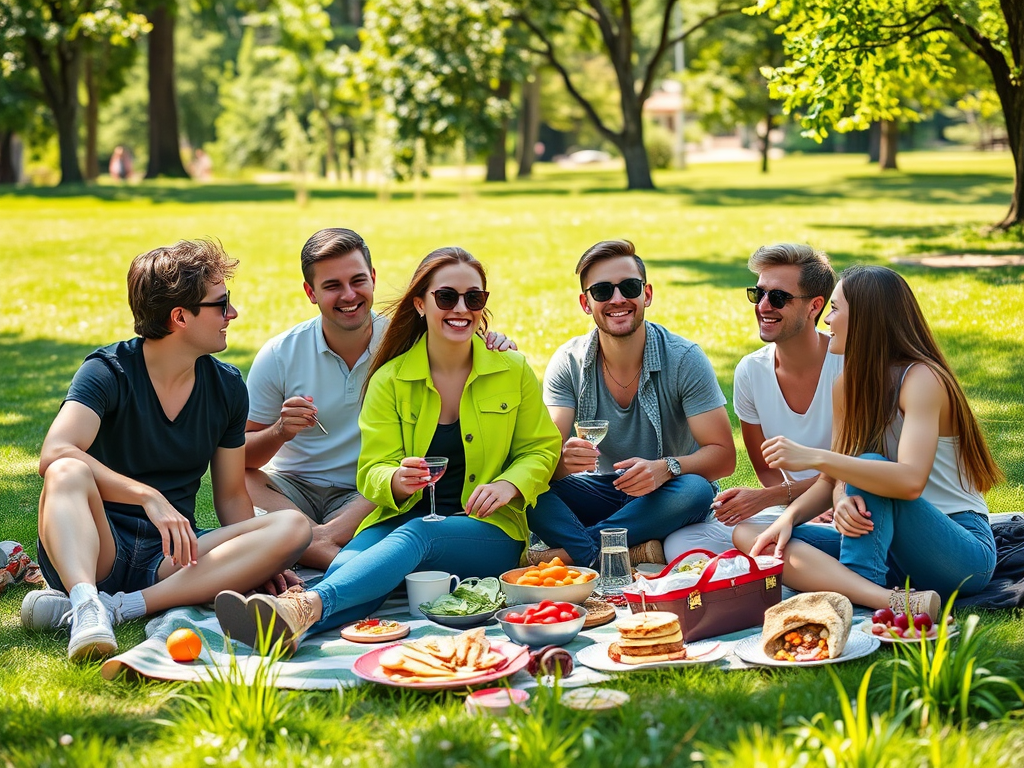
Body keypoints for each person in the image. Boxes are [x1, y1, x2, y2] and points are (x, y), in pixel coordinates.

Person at [215, 246, 561, 651]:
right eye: (447, 297)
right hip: (398, 517)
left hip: (489, 530)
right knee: (351, 568)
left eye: (474, 298)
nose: (461, 308)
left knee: (419, 535)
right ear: (420, 303)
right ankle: (293, 628)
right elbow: (372, 470)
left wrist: (509, 485)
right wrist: (395, 479)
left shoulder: (511, 369)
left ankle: (300, 607)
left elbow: (541, 448)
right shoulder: (389, 379)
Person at [20, 240, 312, 661]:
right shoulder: (108, 371)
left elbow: (231, 495)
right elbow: (54, 451)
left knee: (293, 528)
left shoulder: (227, 386)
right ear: (180, 317)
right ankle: (85, 604)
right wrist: (147, 496)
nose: (232, 314)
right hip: (96, 546)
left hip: (173, 556)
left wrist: (257, 561)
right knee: (67, 471)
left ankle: (119, 608)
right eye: (221, 304)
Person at [734, 265, 1002, 614]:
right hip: (888, 543)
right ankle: (886, 600)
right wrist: (795, 516)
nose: (827, 321)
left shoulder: (922, 379)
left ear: (865, 318)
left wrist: (816, 457)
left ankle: (858, 607)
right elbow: (835, 480)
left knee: (870, 467)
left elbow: (908, 482)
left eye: (835, 308)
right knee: (753, 536)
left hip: (959, 550)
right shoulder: (847, 386)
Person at [244, 229, 516, 569]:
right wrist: (281, 431)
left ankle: (304, 546)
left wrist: (495, 344)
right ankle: (329, 552)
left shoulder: (405, 344)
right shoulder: (281, 353)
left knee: (391, 485)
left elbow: (458, 337)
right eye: (332, 286)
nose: (349, 295)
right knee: (240, 480)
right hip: (292, 488)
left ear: (373, 278)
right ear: (310, 292)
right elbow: (242, 456)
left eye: (358, 281)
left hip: (370, 492)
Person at [527, 239, 735, 568]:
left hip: (665, 494)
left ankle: (569, 554)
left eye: (629, 287)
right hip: (600, 491)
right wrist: (565, 461)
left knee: (696, 490)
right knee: (528, 492)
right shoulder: (568, 361)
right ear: (585, 303)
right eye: (602, 292)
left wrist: (666, 468)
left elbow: (724, 457)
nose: (618, 299)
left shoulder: (684, 359)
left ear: (647, 294)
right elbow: (541, 461)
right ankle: (620, 548)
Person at [664, 243, 840, 558]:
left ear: (815, 306)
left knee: (770, 540)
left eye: (779, 297)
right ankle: (793, 563)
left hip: (845, 505)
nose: (763, 306)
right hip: (791, 508)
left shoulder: (846, 365)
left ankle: (791, 567)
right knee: (681, 543)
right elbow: (767, 468)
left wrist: (772, 499)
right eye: (758, 294)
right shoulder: (751, 370)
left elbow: (858, 466)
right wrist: (790, 504)